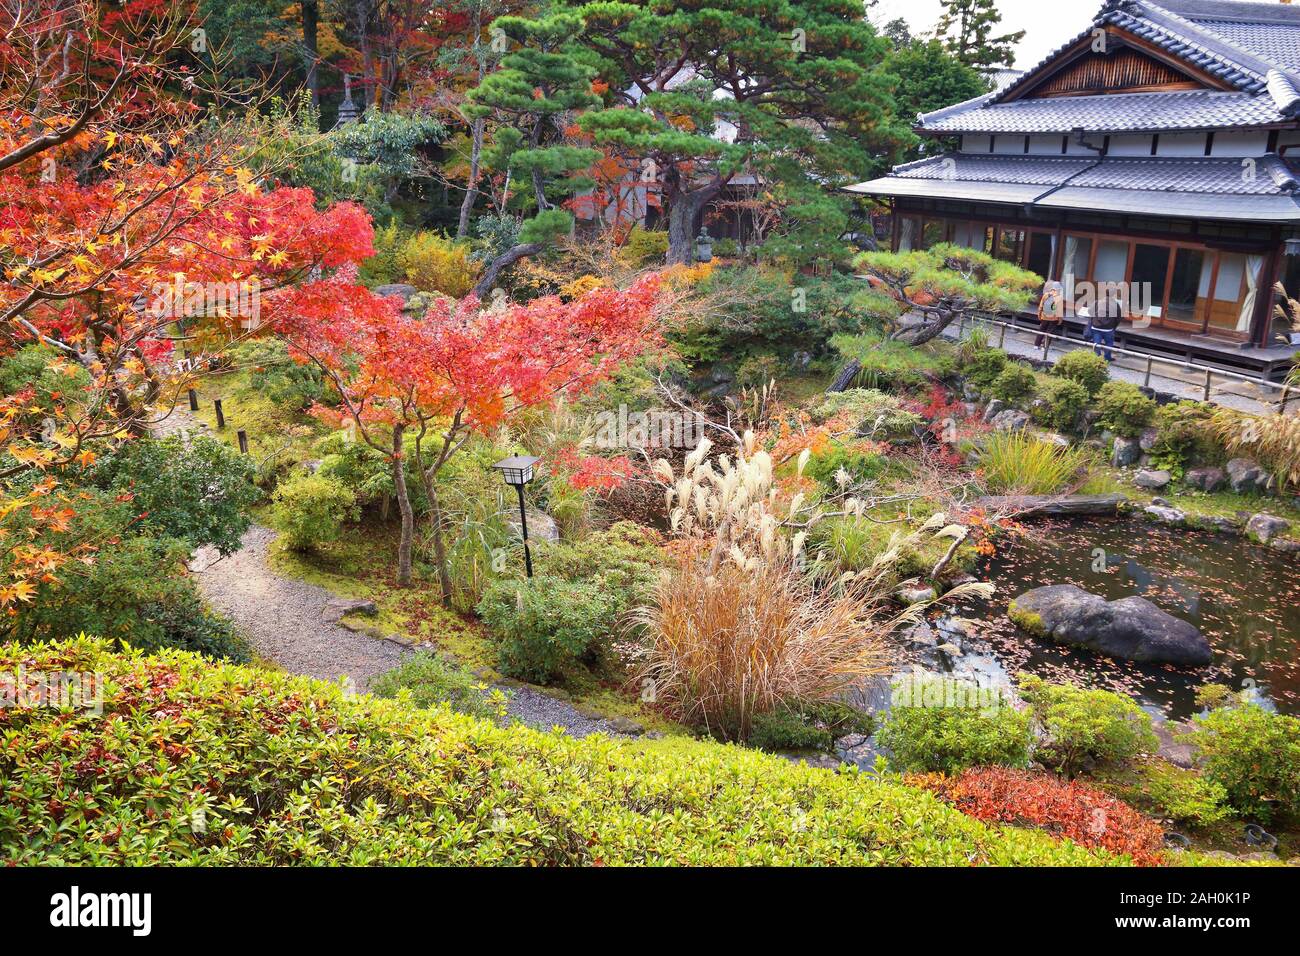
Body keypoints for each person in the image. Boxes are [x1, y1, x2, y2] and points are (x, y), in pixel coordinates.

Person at [1090, 289, 1120, 362]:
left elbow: (1090, 311)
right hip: (1108, 328)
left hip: (1096, 326)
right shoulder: (1115, 304)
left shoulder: (1098, 302)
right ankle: (1107, 357)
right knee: (1109, 343)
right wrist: (1114, 326)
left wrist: (1094, 319)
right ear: (1113, 295)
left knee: (1096, 343)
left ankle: (1097, 358)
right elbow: (1118, 317)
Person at [1035, 281, 1064, 348]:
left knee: (1041, 330)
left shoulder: (1046, 295)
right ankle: (1044, 347)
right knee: (1049, 333)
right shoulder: (1059, 297)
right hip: (1053, 318)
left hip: (1044, 316)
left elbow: (1041, 306)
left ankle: (1036, 345)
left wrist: (1039, 315)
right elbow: (1059, 311)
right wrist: (1060, 320)